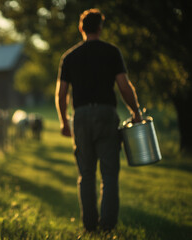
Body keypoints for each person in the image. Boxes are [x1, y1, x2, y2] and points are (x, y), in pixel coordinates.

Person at [55, 8, 142, 232]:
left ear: (81, 28)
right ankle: (108, 227)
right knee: (110, 174)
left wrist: (65, 122)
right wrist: (136, 112)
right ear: (100, 28)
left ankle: (90, 227)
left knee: (86, 174)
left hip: (81, 117)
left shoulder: (69, 57)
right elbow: (124, 86)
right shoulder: (112, 52)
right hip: (106, 115)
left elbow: (61, 94)